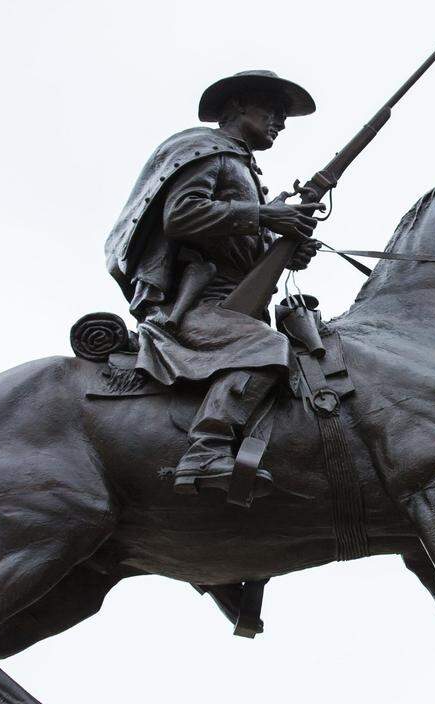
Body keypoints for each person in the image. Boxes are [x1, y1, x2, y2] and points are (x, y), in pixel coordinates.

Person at [106, 70, 324, 497]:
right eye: (273, 110)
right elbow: (180, 216)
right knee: (265, 348)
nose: (280, 122)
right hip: (197, 305)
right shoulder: (208, 151)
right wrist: (266, 216)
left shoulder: (242, 167)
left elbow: (243, 253)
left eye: (284, 115)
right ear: (240, 104)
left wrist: (286, 249)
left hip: (235, 303)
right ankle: (207, 449)